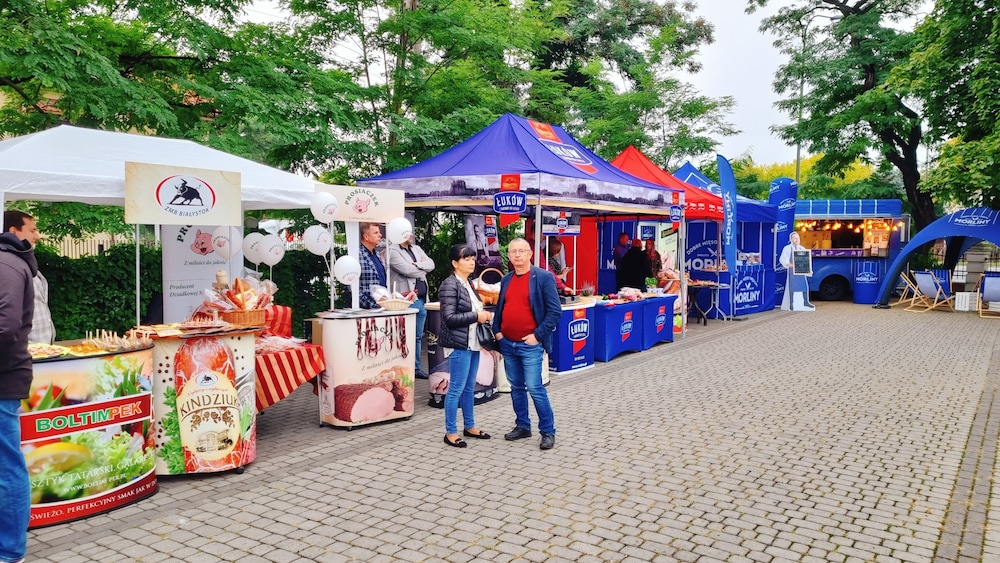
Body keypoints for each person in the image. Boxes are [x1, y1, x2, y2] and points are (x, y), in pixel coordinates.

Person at [492, 238, 561, 450]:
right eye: (513, 251)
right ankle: (522, 426)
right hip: (508, 343)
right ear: (509, 256)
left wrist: (537, 336)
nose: (517, 255)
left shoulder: (543, 277)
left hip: (530, 344)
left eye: (521, 251)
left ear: (530, 254)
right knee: (516, 387)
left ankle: (547, 431)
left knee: (534, 387)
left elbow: (554, 312)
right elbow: (501, 307)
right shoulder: (506, 279)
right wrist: (497, 332)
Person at [0, 228, 36, 563]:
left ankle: (9, 552)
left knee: (6, 466)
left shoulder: (5, 264)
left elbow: (6, 326)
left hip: (4, 378)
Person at [437, 244, 493, 448]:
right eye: (466, 259)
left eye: (472, 258)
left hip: (473, 343)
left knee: (469, 388)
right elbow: (449, 318)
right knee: (456, 389)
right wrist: (477, 316)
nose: (471, 262)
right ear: (455, 263)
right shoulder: (449, 285)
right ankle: (450, 431)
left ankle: (469, 426)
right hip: (459, 344)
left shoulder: (468, 283)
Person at [388, 233, 435, 379]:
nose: (412, 234)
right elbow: (406, 270)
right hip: (406, 300)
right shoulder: (392, 250)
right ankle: (403, 370)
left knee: (417, 337)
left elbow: (432, 265)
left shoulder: (416, 248)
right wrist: (422, 267)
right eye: (408, 232)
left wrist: (416, 265)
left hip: (421, 299)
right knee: (404, 336)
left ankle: (416, 368)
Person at [4, 210, 55, 344]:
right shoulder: (8, 268)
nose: (37, 236)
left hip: (41, 350)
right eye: (32, 231)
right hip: (22, 350)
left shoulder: (25, 265)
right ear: (13, 231)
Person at [779, 232, 815, 311]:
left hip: (801, 272)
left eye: (798, 238)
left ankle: (806, 302)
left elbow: (807, 260)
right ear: (791, 239)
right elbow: (782, 259)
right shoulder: (787, 248)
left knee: (804, 286)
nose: (796, 240)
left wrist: (809, 270)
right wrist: (787, 264)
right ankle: (791, 303)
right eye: (794, 238)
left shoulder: (802, 248)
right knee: (792, 287)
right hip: (792, 272)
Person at [357, 222, 387, 310]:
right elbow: (352, 288)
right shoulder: (356, 255)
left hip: (381, 308)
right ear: (366, 236)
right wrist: (374, 304)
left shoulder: (377, 254)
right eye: (376, 233)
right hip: (364, 310)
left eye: (379, 232)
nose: (380, 235)